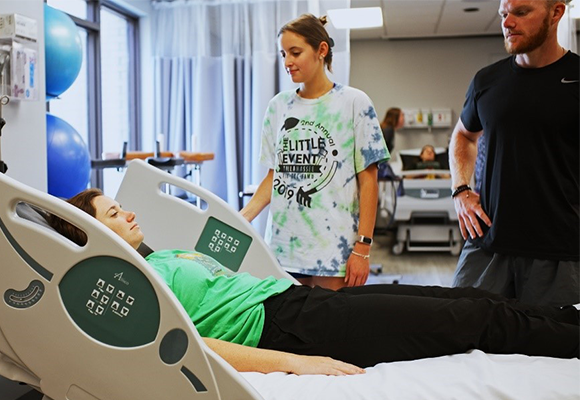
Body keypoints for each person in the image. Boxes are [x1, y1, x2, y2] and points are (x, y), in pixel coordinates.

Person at [47, 188, 580, 376]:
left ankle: (567, 319)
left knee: (461, 297)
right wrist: (295, 363)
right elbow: (188, 345)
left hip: (294, 302)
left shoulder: (159, 256)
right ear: (94, 234)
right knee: (469, 319)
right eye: (115, 214)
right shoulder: (130, 289)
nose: (130, 214)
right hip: (288, 330)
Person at [239, 14, 390, 291]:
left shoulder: (354, 102)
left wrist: (363, 248)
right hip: (282, 247)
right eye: (284, 54)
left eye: (295, 52)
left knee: (329, 331)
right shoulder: (278, 106)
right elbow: (276, 177)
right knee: (285, 330)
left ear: (321, 50)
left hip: (333, 248)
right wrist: (241, 218)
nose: (287, 62)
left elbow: (368, 181)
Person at [449, 0, 579, 307]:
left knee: (555, 350)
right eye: (504, 14)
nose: (507, 23)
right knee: (462, 337)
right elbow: (463, 135)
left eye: (520, 12)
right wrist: (461, 190)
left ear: (556, 13)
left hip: (560, 253)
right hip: (488, 246)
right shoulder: (486, 81)